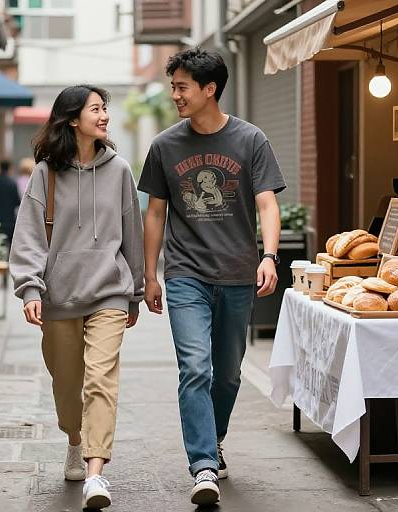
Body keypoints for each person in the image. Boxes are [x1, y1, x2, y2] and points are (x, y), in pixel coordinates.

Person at [138, 47, 286, 506]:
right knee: (195, 368)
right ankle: (202, 464)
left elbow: (266, 203)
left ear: (210, 89)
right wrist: (150, 275)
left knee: (228, 375)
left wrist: (271, 256)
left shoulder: (250, 139)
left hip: (239, 273)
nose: (175, 95)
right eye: (174, 86)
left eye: (183, 87)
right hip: (186, 274)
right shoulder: (165, 145)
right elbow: (156, 213)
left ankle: (213, 439)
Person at [9, 85, 144, 510]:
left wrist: (136, 290)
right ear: (72, 119)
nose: (105, 116)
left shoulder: (119, 169)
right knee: (67, 385)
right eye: (97, 109)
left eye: (106, 109)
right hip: (59, 295)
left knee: (101, 380)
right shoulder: (46, 173)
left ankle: (95, 473)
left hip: (109, 292)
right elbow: (29, 234)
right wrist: (31, 286)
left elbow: (132, 233)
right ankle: (74, 438)